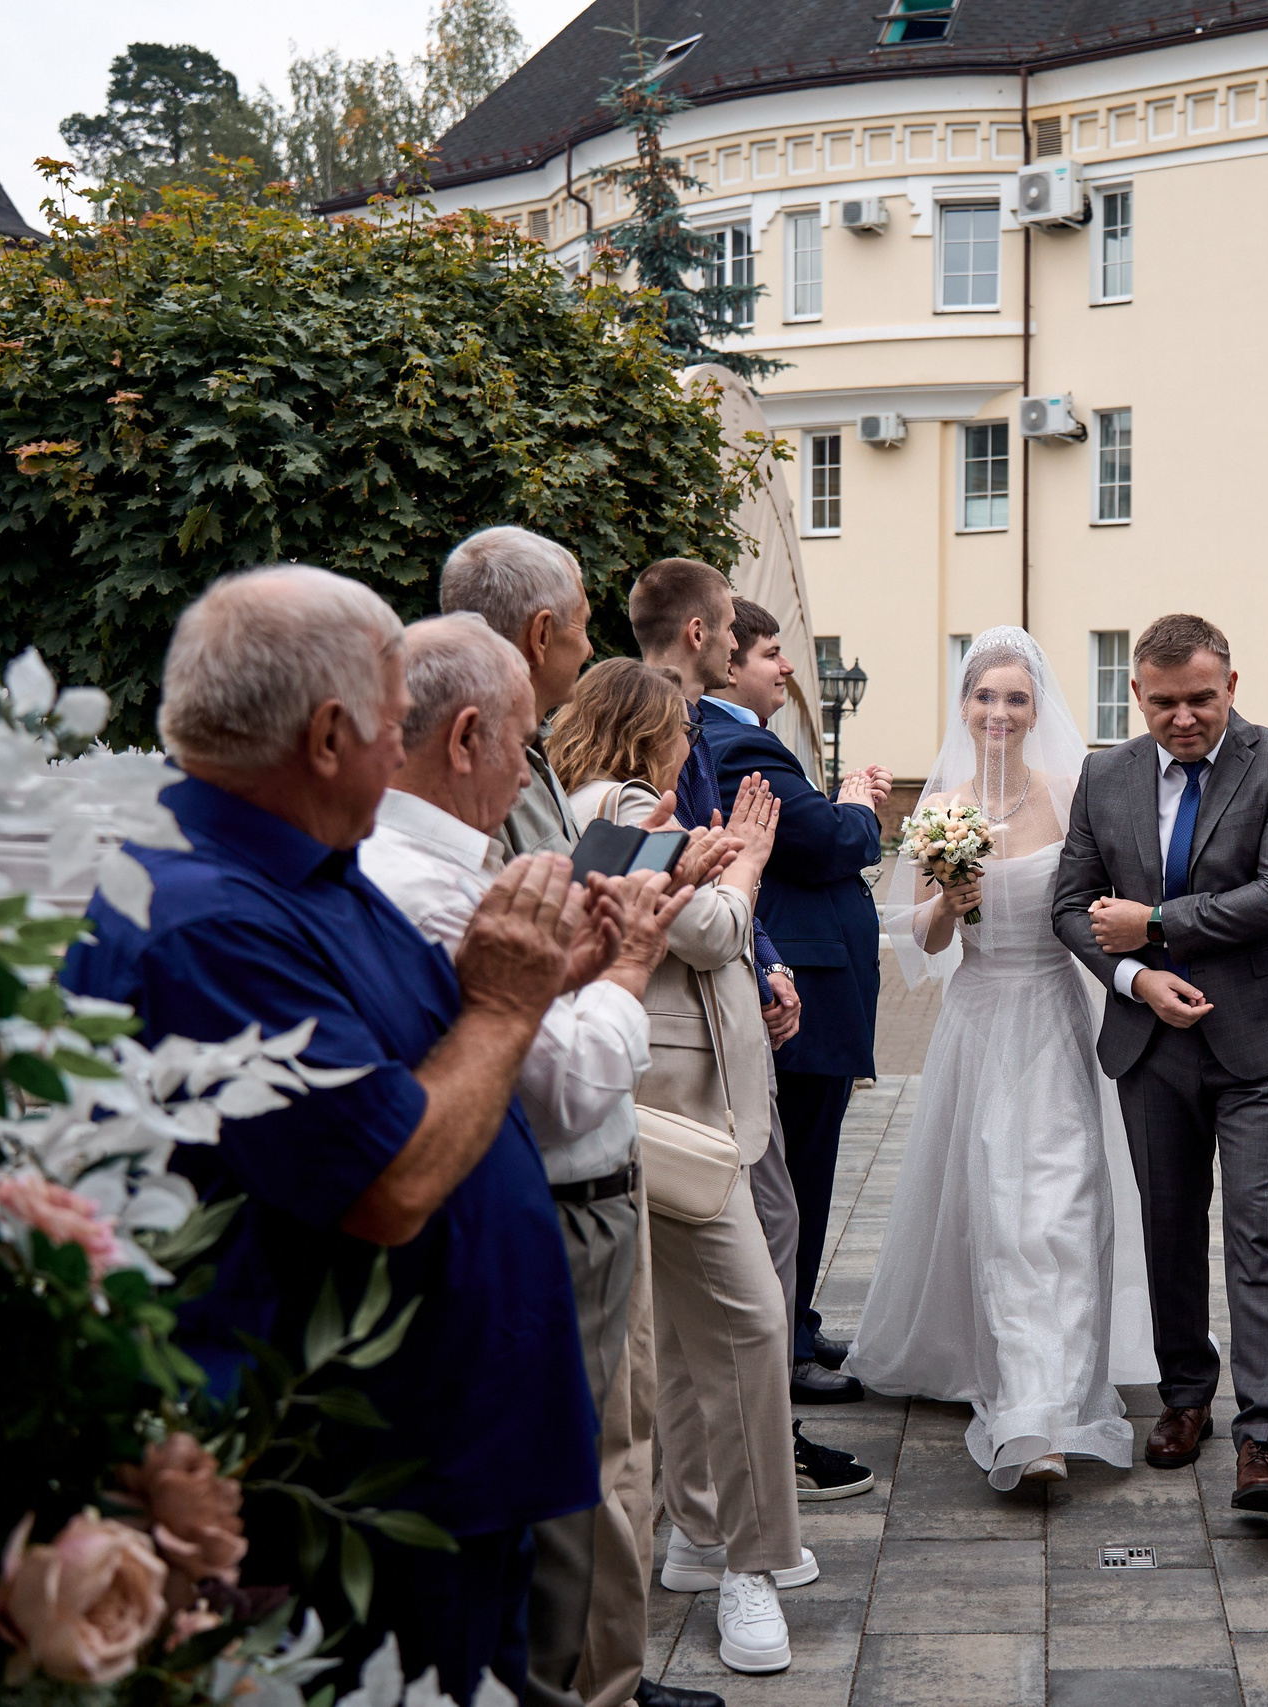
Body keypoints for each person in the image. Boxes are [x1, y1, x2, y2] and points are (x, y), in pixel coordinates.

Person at [61, 567, 601, 1703]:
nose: (403, 750)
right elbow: (390, 1183)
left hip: (442, 1465)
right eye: (393, 722)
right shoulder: (208, 920)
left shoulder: (305, 874)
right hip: (369, 1496)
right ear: (326, 736)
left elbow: (419, 1059)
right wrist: (505, 1005)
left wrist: (528, 984)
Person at [353, 617, 720, 1707]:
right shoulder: (428, 880)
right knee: (561, 1503)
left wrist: (573, 967)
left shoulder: (443, 862)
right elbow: (560, 1085)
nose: (533, 766)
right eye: (523, 739)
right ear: (466, 738)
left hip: (536, 1207)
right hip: (540, 1212)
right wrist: (629, 964)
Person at [550, 657, 822, 1675]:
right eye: (679, 733)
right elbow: (707, 933)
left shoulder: (597, 800)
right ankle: (753, 1564)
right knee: (752, 1323)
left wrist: (757, 941)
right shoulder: (617, 805)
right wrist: (746, 861)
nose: (688, 750)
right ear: (649, 735)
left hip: (668, 1097)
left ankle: (699, 1535)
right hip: (668, 1104)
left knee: (672, 1335)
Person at [849, 628, 1160, 1485]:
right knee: (998, 1208)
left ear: (1036, 710)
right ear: (964, 705)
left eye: (1015, 698)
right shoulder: (941, 806)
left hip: (1054, 1016)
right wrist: (950, 901)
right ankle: (1027, 1410)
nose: (999, 712)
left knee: (1057, 1209)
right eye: (985, 696)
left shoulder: (1071, 795)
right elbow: (922, 941)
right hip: (981, 1019)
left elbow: (1105, 901)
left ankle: (1050, 1405)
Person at [1050, 614, 1268, 1511]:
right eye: (1165, 701)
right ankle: (1186, 1398)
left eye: (1201, 699)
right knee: (1169, 1227)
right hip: (1154, 1039)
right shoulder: (1104, 774)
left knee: (1259, 1232)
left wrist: (1159, 923)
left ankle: (1265, 1438)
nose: (1184, 717)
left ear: (1232, 687)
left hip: (1264, 1038)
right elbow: (1070, 905)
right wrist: (1137, 976)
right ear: (1137, 694)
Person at [628, 562, 864, 1499]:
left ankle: (744, 1453)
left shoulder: (692, 730)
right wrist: (742, 905)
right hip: (681, 1047)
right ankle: (743, 1471)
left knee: (763, 1240)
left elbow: (723, 863)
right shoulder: (656, 741)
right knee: (743, 1263)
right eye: (732, 630)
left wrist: (765, 960)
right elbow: (707, 885)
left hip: (734, 1008)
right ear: (698, 633)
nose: (737, 647)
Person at [696, 592, 890, 1401]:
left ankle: (800, 1322)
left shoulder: (749, 742)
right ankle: (790, 1345)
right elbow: (832, 843)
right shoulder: (738, 746)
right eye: (772, 653)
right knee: (797, 1174)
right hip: (796, 994)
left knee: (805, 1169)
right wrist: (856, 805)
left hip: (803, 982)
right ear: (730, 662)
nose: (786, 668)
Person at [438, 526, 598, 860]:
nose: (590, 650)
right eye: (582, 626)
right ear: (540, 635)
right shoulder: (477, 768)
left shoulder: (525, 743)